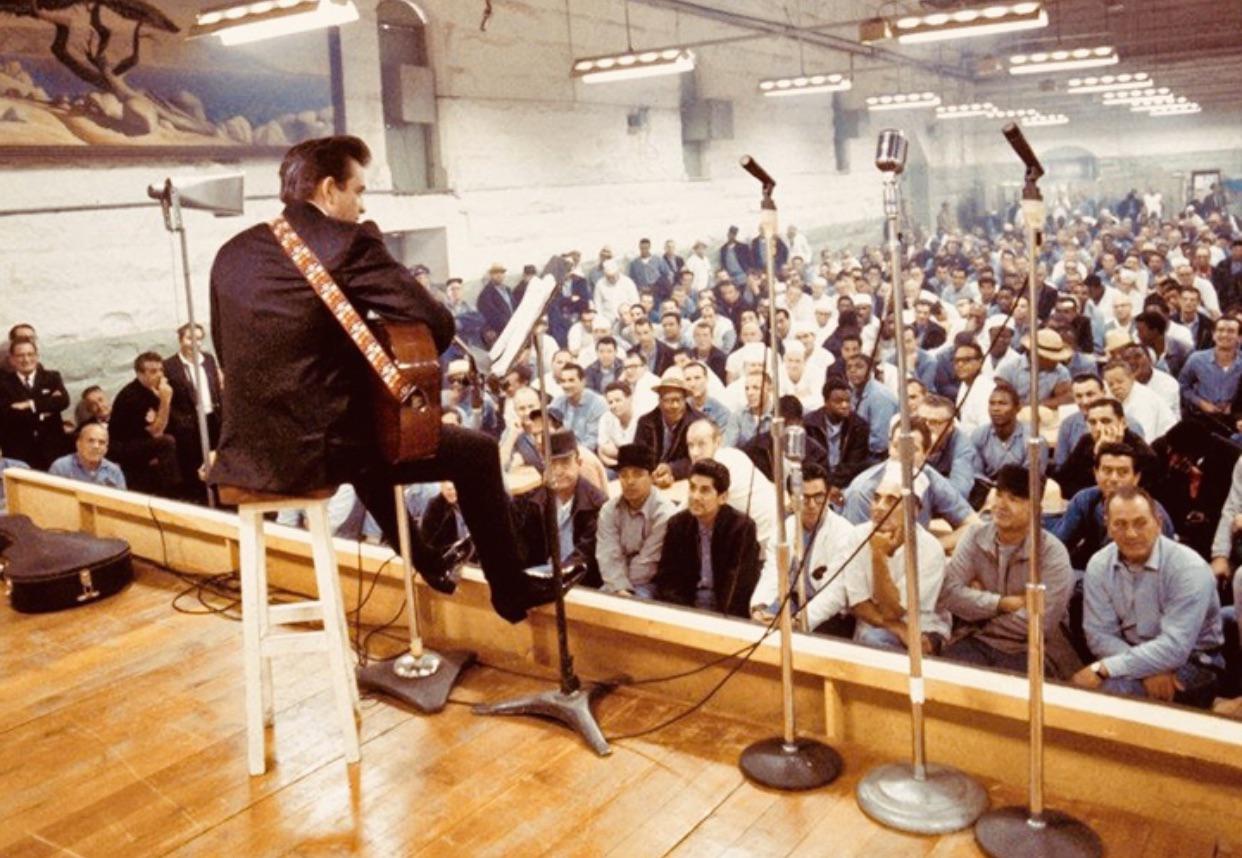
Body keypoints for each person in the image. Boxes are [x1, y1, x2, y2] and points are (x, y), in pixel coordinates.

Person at [206, 135, 568, 624]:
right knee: (476, 452)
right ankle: (510, 587)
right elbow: (436, 324)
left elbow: (228, 347)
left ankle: (426, 559)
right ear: (330, 190)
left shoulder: (232, 252)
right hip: (319, 452)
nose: (361, 205)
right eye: (358, 191)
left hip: (249, 450)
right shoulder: (346, 242)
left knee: (371, 431)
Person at [1073, 486, 1225, 708]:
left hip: (1194, 661)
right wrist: (1143, 668)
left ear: (1158, 522)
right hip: (1129, 652)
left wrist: (1106, 668)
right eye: (1120, 524)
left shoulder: (1189, 568)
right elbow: (1099, 635)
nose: (1131, 533)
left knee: (1114, 693)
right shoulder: (1098, 564)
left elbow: (1175, 648)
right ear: (1108, 526)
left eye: (1140, 522)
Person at [938, 465, 1074, 673]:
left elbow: (1040, 623)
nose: (1001, 504)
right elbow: (948, 594)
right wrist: (1000, 604)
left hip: (1032, 648)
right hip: (975, 640)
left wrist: (978, 610)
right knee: (946, 679)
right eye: (999, 495)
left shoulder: (1053, 553)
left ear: (1035, 509)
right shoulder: (975, 535)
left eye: (1014, 499)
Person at [840, 467, 951, 653]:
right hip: (872, 625)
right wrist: (898, 628)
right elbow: (858, 603)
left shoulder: (930, 550)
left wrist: (878, 557)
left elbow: (894, 611)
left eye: (891, 500)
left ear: (914, 510)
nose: (879, 507)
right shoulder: (857, 536)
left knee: (876, 642)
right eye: (876, 498)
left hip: (922, 627)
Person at [653, 459, 762, 617]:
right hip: (686, 609)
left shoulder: (742, 528)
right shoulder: (677, 524)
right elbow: (667, 580)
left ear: (722, 497)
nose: (695, 496)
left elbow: (740, 588)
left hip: (726, 613)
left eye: (704, 490)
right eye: (692, 488)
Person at [1054, 442, 1176, 572]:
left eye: (1122, 472)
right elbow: (1058, 546)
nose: (1113, 478)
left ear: (1136, 477)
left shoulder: (1150, 511)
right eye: (1107, 471)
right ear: (1096, 473)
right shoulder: (1084, 500)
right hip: (1091, 573)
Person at [513, 428, 605, 588]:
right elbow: (523, 546)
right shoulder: (534, 500)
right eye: (552, 463)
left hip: (580, 582)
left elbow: (585, 557)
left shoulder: (597, 504)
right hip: (540, 577)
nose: (559, 471)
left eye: (565, 462)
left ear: (579, 463)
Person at [594, 443, 673, 597]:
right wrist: (618, 587)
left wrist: (622, 588)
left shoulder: (664, 514)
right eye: (624, 475)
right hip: (614, 580)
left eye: (637, 474)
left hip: (649, 583)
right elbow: (607, 554)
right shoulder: (609, 510)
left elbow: (648, 563)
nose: (630, 481)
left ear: (651, 477)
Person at [163, 322, 224, 500]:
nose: (195, 343)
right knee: (193, 463)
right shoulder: (170, 366)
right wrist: (180, 422)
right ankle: (199, 498)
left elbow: (216, 388)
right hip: (188, 424)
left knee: (215, 458)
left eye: (199, 339)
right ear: (181, 340)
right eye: (190, 338)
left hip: (212, 417)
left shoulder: (208, 359)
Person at [1054, 397, 1158, 499]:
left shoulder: (1141, 451)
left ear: (1123, 423)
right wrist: (1096, 456)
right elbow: (1062, 482)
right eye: (1093, 422)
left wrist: (1110, 451)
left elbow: (1140, 493)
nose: (1099, 428)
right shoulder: (1086, 441)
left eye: (1105, 421)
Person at [109, 352, 181, 497]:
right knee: (166, 442)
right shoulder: (132, 397)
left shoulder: (155, 389)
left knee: (184, 430)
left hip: (143, 438)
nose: (160, 375)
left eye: (161, 370)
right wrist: (165, 400)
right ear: (140, 374)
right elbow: (157, 431)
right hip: (124, 445)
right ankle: (173, 492)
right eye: (153, 371)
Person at [0, 337, 70, 470]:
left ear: (37, 356)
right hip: (20, 453)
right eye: (20, 355)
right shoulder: (3, 384)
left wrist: (30, 404)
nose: (26, 359)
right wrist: (46, 406)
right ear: (12, 360)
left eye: (30, 354)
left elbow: (63, 401)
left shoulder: (52, 377)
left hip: (52, 451)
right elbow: (7, 413)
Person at [634, 366, 703, 488]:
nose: (675, 405)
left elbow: (699, 459)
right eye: (669, 400)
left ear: (685, 400)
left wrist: (671, 469)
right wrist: (654, 474)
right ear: (659, 402)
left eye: (679, 400)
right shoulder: (645, 422)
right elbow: (638, 457)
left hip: (686, 481)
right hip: (651, 481)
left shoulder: (698, 423)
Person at [803, 377, 872, 498]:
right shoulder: (809, 424)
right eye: (838, 401)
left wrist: (833, 486)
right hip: (816, 482)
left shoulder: (859, 426)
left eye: (848, 401)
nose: (845, 405)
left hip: (846, 483)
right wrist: (826, 486)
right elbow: (809, 462)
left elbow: (854, 464)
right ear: (826, 402)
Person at [1101, 358, 1174, 443]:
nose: (1115, 387)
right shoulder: (1111, 395)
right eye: (1111, 384)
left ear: (1131, 378)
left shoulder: (1143, 399)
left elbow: (1145, 438)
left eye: (1120, 382)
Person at [48, 422, 127, 489]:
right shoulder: (61, 467)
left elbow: (123, 504)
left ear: (106, 448)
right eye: (90, 441)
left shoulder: (114, 472)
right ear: (78, 444)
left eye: (101, 442)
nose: (96, 446)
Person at [551, 363, 607, 452]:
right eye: (563, 381)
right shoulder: (558, 402)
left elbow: (592, 441)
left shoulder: (597, 403)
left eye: (571, 380)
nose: (566, 385)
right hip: (563, 454)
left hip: (589, 455)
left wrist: (572, 454)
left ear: (583, 381)